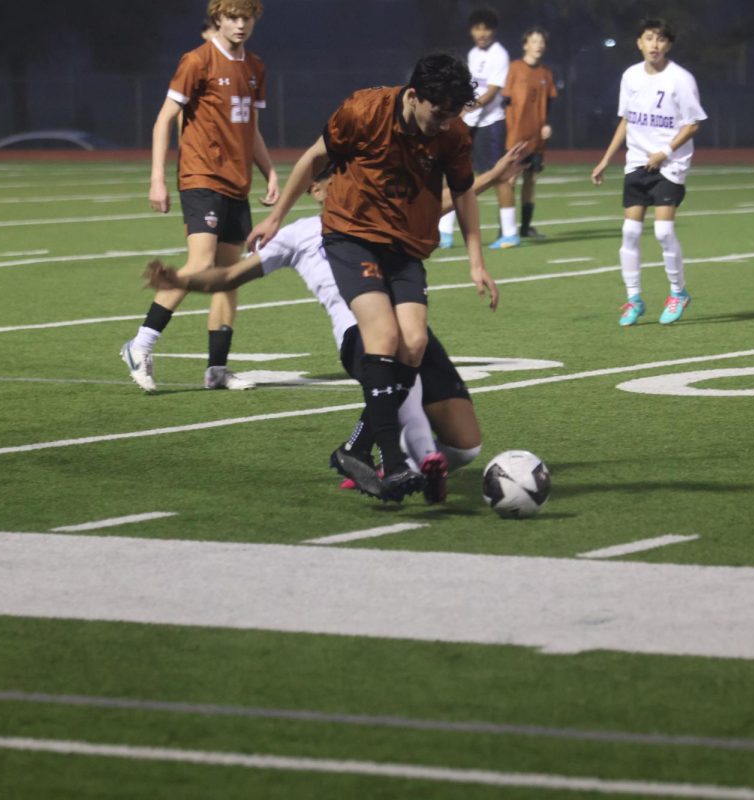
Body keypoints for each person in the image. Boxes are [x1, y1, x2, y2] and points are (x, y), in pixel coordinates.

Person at [143, 147, 523, 502]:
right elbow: (228, 278)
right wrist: (180, 280)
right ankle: (414, 459)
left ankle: (379, 457)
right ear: (317, 189)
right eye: (336, 176)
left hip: (410, 329)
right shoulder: (298, 235)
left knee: (465, 445)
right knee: (395, 356)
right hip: (360, 333)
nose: (347, 182)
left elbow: (435, 204)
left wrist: (492, 176)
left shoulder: (375, 215)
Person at [246, 54, 498, 502]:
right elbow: (312, 158)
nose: (444, 124)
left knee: (414, 343)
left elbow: (463, 194)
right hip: (351, 236)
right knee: (382, 336)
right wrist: (276, 218)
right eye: (439, 113)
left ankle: (355, 449)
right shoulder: (364, 110)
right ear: (415, 96)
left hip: (405, 246)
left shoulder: (453, 132)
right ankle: (394, 462)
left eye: (453, 114)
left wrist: (476, 261)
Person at [119, 0, 279, 394]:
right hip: (201, 177)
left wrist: (270, 171)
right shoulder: (197, 61)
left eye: (247, 18)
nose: (240, 25)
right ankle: (140, 345)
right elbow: (164, 119)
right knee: (201, 264)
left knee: (228, 277)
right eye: (233, 17)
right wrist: (157, 178)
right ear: (217, 19)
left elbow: (250, 128)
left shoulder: (255, 67)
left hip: (236, 184)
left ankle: (217, 370)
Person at [591, 17, 707, 327]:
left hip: (670, 165)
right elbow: (626, 120)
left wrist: (665, 152)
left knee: (663, 231)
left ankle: (678, 293)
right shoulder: (630, 76)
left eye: (660, 39)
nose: (654, 44)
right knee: (629, 232)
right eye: (649, 38)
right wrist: (606, 159)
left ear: (668, 45)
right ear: (639, 43)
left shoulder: (681, 79)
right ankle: (634, 299)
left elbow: (693, 123)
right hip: (637, 163)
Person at [438, 7, 517, 250]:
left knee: (498, 176)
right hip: (468, 120)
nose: (481, 33)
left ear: (493, 31)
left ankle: (510, 233)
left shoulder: (499, 54)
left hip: (490, 124)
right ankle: (444, 233)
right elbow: (469, 87)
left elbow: (493, 91)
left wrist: (468, 108)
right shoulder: (473, 54)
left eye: (486, 28)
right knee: (452, 172)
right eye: (477, 28)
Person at [502, 26, 556, 241]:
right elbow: (505, 100)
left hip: (537, 138)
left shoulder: (546, 73)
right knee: (510, 180)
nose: (538, 46)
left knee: (531, 180)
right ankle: (506, 229)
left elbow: (549, 104)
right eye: (534, 41)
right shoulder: (514, 68)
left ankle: (525, 227)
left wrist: (547, 125)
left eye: (541, 42)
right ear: (525, 45)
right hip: (516, 136)